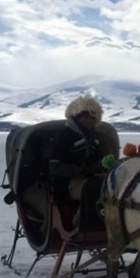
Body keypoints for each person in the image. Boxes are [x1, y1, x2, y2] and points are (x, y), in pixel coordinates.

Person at [48, 94, 107, 229]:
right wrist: (82, 171)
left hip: (89, 179)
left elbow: (98, 159)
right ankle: (79, 221)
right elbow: (55, 167)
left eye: (92, 117)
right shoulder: (64, 136)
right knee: (98, 189)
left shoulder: (93, 137)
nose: (89, 120)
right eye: (85, 116)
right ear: (77, 116)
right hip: (65, 184)